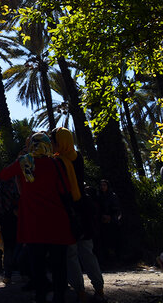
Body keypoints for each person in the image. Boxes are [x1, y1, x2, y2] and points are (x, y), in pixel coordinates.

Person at [0, 132, 75, 303]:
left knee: (37, 265)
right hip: (57, 221)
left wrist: (22, 159)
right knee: (58, 265)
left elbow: (3, 174)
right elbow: (65, 190)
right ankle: (59, 297)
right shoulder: (55, 164)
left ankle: (40, 296)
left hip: (34, 223)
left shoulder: (24, 163)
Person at [51, 127, 105, 302]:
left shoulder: (57, 161)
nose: (52, 145)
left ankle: (80, 291)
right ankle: (99, 287)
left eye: (54, 141)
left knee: (71, 253)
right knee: (88, 251)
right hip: (83, 208)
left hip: (67, 211)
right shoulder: (78, 156)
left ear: (60, 142)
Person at [96, 179, 121, 265]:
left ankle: (114, 260)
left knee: (113, 241)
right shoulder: (98, 197)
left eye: (104, 185)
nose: (102, 187)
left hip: (112, 222)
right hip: (101, 222)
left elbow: (117, 209)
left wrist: (110, 217)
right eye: (101, 185)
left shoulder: (112, 196)